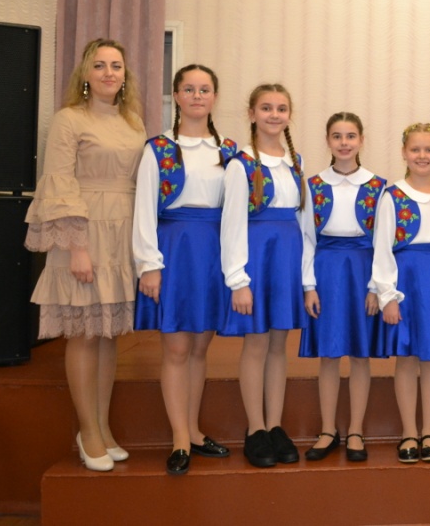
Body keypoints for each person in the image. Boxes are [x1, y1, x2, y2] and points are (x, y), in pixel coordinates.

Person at [24, 38, 146, 471]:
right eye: (100, 65)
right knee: (84, 334)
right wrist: (77, 246)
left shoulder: (133, 121)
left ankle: (103, 426)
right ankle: (87, 431)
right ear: (86, 74)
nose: (109, 72)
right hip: (85, 232)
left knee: (108, 333)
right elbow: (58, 181)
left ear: (125, 74)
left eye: (116, 65)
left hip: (122, 233)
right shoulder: (69, 119)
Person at [132, 64, 237, 475]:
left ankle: (193, 430)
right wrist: (149, 265)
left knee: (198, 348)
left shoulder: (229, 151)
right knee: (176, 348)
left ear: (214, 97)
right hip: (173, 250)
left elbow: (237, 212)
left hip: (213, 252)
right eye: (189, 89)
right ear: (176, 96)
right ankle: (178, 438)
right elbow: (144, 208)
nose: (197, 96)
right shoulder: (158, 149)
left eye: (204, 89)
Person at [220, 83, 309, 468]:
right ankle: (255, 428)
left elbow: (304, 223)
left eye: (281, 108)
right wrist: (239, 280)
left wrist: (305, 279)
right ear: (252, 114)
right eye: (266, 108)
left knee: (278, 345)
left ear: (289, 115)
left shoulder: (295, 163)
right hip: (257, 260)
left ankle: (275, 425)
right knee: (256, 344)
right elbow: (232, 225)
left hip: (286, 260)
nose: (274, 115)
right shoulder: (241, 164)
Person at [299, 112, 386, 463]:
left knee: (360, 355)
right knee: (330, 354)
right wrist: (309, 285)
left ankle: (356, 430)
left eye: (351, 136)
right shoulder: (314, 185)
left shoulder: (378, 186)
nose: (344, 143)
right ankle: (327, 429)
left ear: (361, 140)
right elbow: (307, 238)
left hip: (363, 270)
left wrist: (376, 286)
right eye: (337, 136)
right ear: (328, 141)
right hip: (327, 271)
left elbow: (383, 242)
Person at [374, 123, 430, 464]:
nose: (422, 156)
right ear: (404, 153)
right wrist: (387, 295)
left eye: (429, 150)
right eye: (415, 150)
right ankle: (409, 432)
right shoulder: (393, 196)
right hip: (405, 282)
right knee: (407, 357)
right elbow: (382, 249)